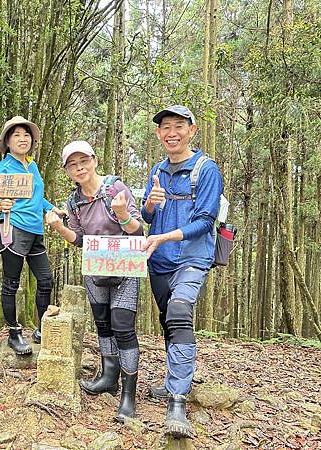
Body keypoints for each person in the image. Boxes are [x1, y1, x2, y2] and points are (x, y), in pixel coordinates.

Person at [46, 141, 143, 422]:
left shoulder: (115, 188)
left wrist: (123, 214)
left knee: (123, 327)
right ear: (67, 170)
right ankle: (108, 377)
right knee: (102, 323)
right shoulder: (73, 201)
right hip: (95, 269)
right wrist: (59, 227)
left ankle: (128, 394)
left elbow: (138, 231)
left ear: (94, 160)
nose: (79, 167)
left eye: (83, 161)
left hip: (125, 267)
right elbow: (78, 239)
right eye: (72, 164)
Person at [142, 105, 223, 438]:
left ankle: (177, 399)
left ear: (193, 129)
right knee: (166, 320)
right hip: (159, 261)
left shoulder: (206, 170)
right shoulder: (158, 169)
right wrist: (150, 204)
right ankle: (170, 381)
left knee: (178, 312)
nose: (171, 132)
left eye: (178, 126)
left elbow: (206, 220)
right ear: (159, 134)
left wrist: (164, 237)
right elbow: (147, 217)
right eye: (165, 127)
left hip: (191, 259)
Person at [0, 116, 65, 355]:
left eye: (26, 135)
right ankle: (14, 333)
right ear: (7, 141)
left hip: (36, 230)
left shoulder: (32, 165)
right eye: (16, 135)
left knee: (45, 280)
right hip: (13, 227)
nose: (22, 139)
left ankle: (42, 328)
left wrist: (51, 208)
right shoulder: (3, 167)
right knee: (11, 284)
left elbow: (37, 196)